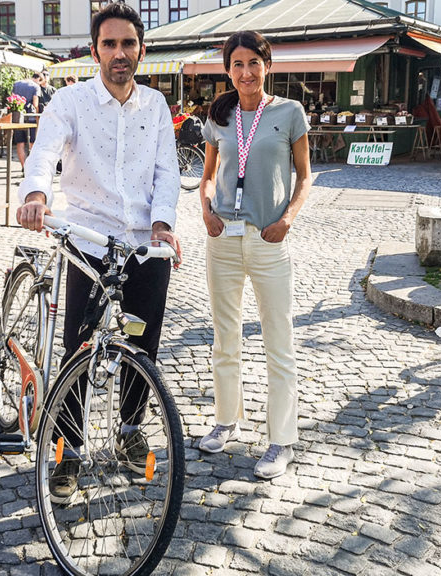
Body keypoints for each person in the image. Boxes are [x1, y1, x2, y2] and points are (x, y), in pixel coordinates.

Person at [16, 2, 181, 502]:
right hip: (88, 243)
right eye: (109, 44)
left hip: (143, 244)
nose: (119, 53)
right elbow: (44, 153)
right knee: (79, 350)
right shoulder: (68, 103)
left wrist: (162, 224)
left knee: (141, 348)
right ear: (94, 52)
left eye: (128, 43)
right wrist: (35, 195)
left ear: (141, 51)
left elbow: (166, 173)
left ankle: (131, 433)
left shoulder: (155, 107)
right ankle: (66, 449)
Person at [195, 30, 312, 480]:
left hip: (268, 238)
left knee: (278, 339)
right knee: (225, 337)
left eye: (253, 62)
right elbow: (207, 176)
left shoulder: (289, 113)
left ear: (267, 64)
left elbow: (305, 177)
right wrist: (204, 208)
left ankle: (281, 440)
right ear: (228, 69)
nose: (246, 72)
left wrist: (288, 220)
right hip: (222, 237)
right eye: (237, 64)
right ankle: (227, 419)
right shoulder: (219, 116)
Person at [11, 72, 42, 168]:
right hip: (30, 118)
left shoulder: (16, 84)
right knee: (32, 143)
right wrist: (37, 118)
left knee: (20, 143)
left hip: (17, 117)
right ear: (38, 79)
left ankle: (23, 167)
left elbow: (12, 99)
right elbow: (35, 104)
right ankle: (32, 168)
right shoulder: (35, 87)